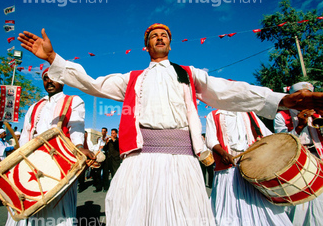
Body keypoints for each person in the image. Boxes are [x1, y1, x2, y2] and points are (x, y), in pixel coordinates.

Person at [18, 23, 323, 225]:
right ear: (146, 46)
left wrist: (283, 100)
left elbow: (230, 92)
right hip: (139, 162)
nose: (160, 37)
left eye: (164, 34)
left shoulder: (189, 75)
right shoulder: (131, 79)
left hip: (182, 163)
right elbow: (92, 83)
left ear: (171, 44)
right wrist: (54, 59)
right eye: (153, 35)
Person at [5, 68, 94, 226]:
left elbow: (76, 128)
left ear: (62, 81)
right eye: (46, 79)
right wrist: (20, 158)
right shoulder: (35, 106)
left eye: (53, 78)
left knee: (57, 204)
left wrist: (79, 146)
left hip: (61, 159)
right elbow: (27, 133)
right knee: (29, 199)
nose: (49, 82)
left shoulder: (73, 100)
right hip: (33, 159)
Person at [206, 110, 292, 225]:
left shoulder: (249, 113)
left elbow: (266, 134)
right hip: (228, 170)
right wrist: (223, 154)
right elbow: (211, 140)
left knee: (259, 207)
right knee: (229, 206)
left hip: (252, 168)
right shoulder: (214, 115)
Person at [274, 81, 323, 226]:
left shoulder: (318, 111)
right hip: (297, 160)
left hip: (319, 156)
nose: (306, 100)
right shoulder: (281, 116)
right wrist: (300, 125)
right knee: (300, 199)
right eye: (302, 97)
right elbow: (283, 142)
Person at [92, 127, 109, 192]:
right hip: (99, 155)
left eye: (104, 131)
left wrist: (104, 146)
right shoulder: (99, 139)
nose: (103, 132)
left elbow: (107, 147)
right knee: (97, 172)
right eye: (102, 131)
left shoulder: (108, 139)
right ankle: (98, 187)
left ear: (106, 132)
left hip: (105, 155)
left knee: (105, 172)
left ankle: (105, 187)